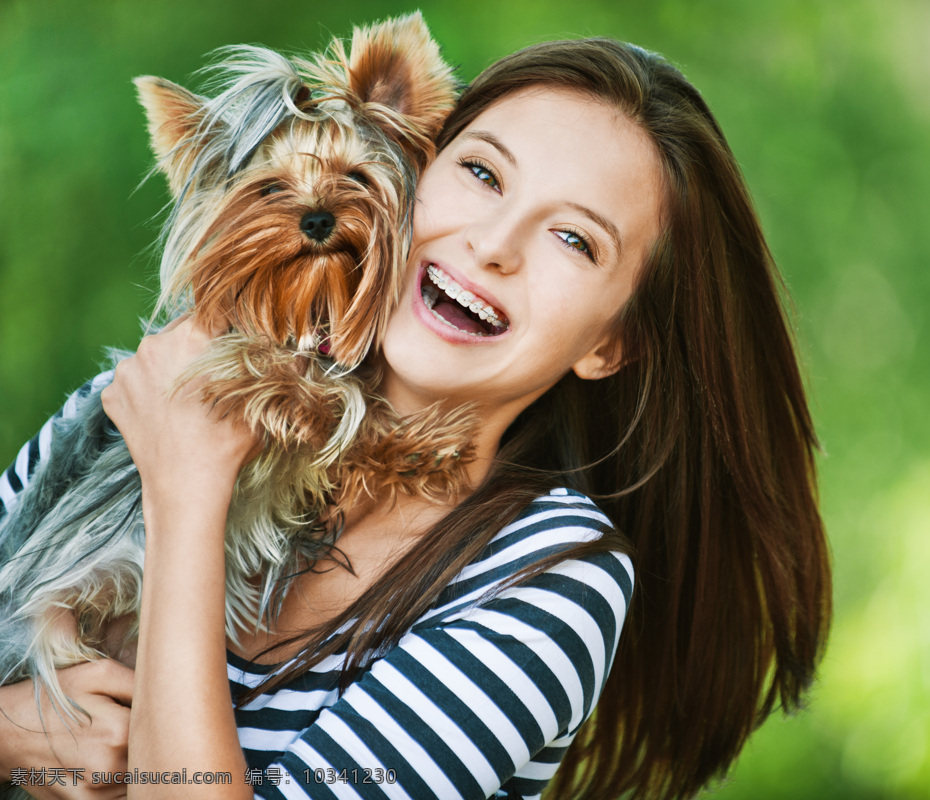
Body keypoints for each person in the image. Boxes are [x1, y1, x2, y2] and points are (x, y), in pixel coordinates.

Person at [0, 37, 831, 800]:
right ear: (413, 161)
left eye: (575, 240)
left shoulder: (549, 581)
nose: (495, 243)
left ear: (611, 345)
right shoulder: (144, 404)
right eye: (482, 174)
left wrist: (186, 491)